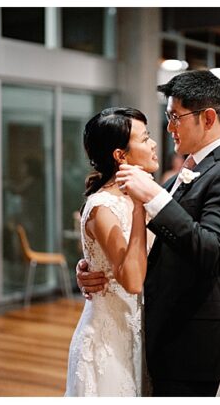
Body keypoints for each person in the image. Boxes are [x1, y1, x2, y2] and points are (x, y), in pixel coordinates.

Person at [77, 70, 220, 396]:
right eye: (167, 117)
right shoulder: (187, 170)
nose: (169, 128)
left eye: (176, 117)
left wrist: (153, 197)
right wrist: (98, 264)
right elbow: (149, 242)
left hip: (191, 341)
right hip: (159, 334)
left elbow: (214, 252)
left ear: (207, 118)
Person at [65, 107, 159, 396]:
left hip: (138, 332)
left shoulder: (152, 189)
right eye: (145, 139)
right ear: (121, 155)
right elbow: (131, 280)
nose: (153, 144)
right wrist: (139, 205)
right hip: (107, 342)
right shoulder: (103, 207)